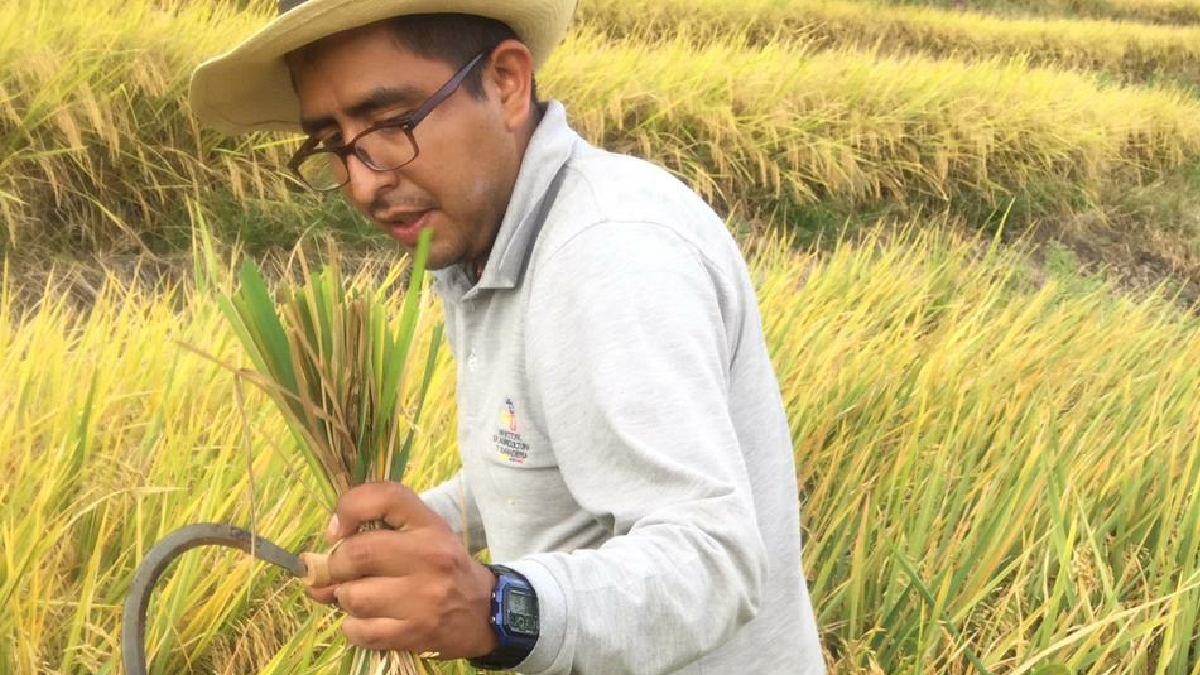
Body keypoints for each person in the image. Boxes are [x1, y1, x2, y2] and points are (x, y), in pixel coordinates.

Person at [189, 1, 824, 673]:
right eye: (333, 144)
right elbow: (540, 462)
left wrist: (496, 607)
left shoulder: (611, 255)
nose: (367, 182)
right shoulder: (487, 243)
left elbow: (712, 561)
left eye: (392, 123)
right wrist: (419, 533)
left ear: (507, 83)